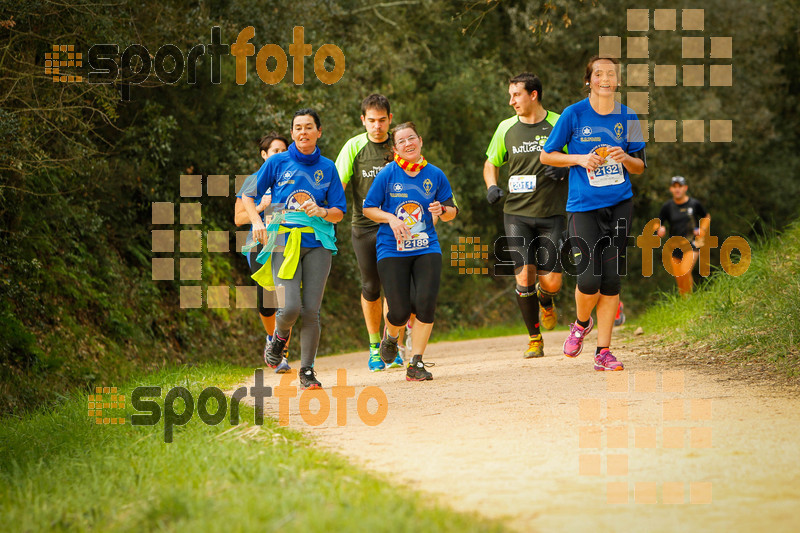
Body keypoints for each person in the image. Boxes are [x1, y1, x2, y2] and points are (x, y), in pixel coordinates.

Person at [541, 55, 646, 371]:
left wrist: (624, 157)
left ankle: (603, 351)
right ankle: (580, 323)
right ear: (589, 80)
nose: (605, 78)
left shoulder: (628, 117)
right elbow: (547, 155)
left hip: (620, 203)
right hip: (583, 207)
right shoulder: (574, 114)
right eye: (598, 73)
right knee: (589, 279)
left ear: (617, 81)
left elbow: (640, 167)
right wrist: (579, 160)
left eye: (611, 74)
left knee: (612, 280)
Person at [242, 109, 346, 389]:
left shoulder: (328, 167)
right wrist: (256, 222)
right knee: (289, 308)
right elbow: (247, 194)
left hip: (318, 242)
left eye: (309, 127)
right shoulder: (277, 162)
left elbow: (339, 212)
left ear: (319, 132)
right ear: (292, 134)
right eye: (298, 127)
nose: (303, 132)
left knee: (311, 311)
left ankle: (308, 371)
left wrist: (322, 211)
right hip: (282, 240)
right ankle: (278, 338)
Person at [363, 122, 458, 381]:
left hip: (427, 247)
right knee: (400, 311)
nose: (408, 144)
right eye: (402, 141)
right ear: (396, 148)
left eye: (411, 138)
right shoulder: (387, 174)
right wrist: (390, 219)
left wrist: (443, 211)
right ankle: (391, 336)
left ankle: (416, 363)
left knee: (426, 305)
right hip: (392, 249)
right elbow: (368, 208)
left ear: (420, 140)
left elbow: (451, 210)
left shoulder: (435, 174)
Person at [484, 73, 569, 359]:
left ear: (533, 95)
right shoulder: (506, 128)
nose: (511, 102)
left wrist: (565, 169)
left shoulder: (559, 123)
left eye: (516, 95)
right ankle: (534, 339)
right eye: (510, 95)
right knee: (524, 275)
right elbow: (491, 162)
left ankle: (547, 300)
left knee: (552, 282)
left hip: (552, 213)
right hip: (516, 214)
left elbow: (581, 157)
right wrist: (492, 185)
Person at [335, 94, 405, 372]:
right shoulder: (354, 146)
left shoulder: (399, 143)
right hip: (364, 228)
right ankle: (375, 346)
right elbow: (338, 185)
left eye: (382, 120)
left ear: (390, 119)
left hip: (398, 226)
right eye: (371, 121)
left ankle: (393, 343)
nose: (377, 126)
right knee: (371, 287)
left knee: (396, 288)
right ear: (363, 120)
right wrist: (329, 217)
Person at [234, 133, 292, 373]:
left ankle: (282, 352)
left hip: (288, 243)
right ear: (264, 155)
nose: (279, 156)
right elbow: (238, 219)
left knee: (286, 301)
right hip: (259, 244)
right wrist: (259, 207)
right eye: (274, 151)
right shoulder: (253, 180)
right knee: (267, 303)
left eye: (283, 151)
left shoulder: (292, 179)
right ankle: (272, 339)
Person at [657, 175, 710, 296]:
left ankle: (690, 299)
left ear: (685, 188)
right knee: (679, 278)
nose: (677, 189)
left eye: (680, 186)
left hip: (693, 242)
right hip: (675, 245)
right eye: (674, 187)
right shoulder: (667, 207)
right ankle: (685, 302)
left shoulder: (694, 204)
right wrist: (660, 230)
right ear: (671, 189)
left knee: (685, 271)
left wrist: (702, 229)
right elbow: (658, 223)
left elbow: (706, 217)